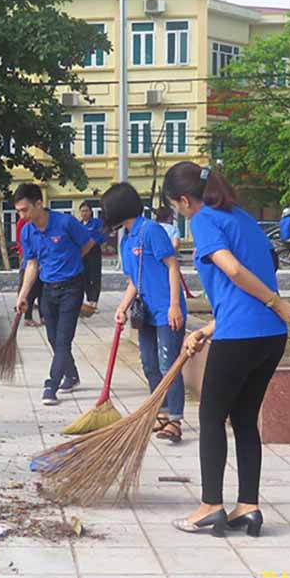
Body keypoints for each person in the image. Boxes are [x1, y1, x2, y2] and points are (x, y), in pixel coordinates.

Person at [161, 162, 290, 536]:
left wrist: (277, 303)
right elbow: (240, 291)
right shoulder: (242, 218)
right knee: (243, 420)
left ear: (184, 200)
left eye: (175, 205)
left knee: (210, 418)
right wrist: (208, 328)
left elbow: (235, 272)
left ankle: (210, 506)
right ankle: (249, 507)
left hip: (243, 334)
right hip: (269, 337)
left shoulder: (205, 220)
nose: (178, 211)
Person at [102, 184, 187, 443]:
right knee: (150, 364)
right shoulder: (127, 238)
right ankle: (159, 411)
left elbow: (172, 266)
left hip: (165, 310)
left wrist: (174, 305)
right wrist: (122, 307)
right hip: (146, 312)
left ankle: (175, 419)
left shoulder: (151, 231)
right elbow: (134, 280)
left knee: (168, 363)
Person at [14, 184, 94, 406]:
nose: (22, 215)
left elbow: (88, 243)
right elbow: (32, 264)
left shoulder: (65, 223)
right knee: (52, 337)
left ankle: (52, 384)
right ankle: (72, 374)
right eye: (19, 211)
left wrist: (72, 259)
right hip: (48, 288)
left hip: (72, 287)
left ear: (39, 204)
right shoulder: (27, 231)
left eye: (25, 210)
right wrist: (23, 295)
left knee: (63, 340)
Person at [77, 201, 108, 315]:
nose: (84, 213)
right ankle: (87, 300)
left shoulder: (96, 223)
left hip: (94, 252)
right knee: (83, 276)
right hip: (82, 253)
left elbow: (102, 236)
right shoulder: (78, 224)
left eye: (86, 210)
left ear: (90, 212)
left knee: (94, 276)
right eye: (82, 211)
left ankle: (94, 301)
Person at [14, 215, 43, 327]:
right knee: (31, 290)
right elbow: (20, 241)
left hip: (41, 261)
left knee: (42, 290)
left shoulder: (41, 222)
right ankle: (28, 317)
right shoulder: (24, 223)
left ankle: (43, 316)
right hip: (29, 259)